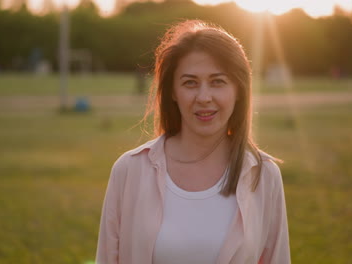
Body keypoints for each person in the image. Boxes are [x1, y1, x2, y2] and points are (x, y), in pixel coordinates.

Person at [96, 20, 290, 264]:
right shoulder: (130, 170)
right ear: (173, 92)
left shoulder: (263, 174)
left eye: (218, 81)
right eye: (190, 83)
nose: (204, 97)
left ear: (239, 90)